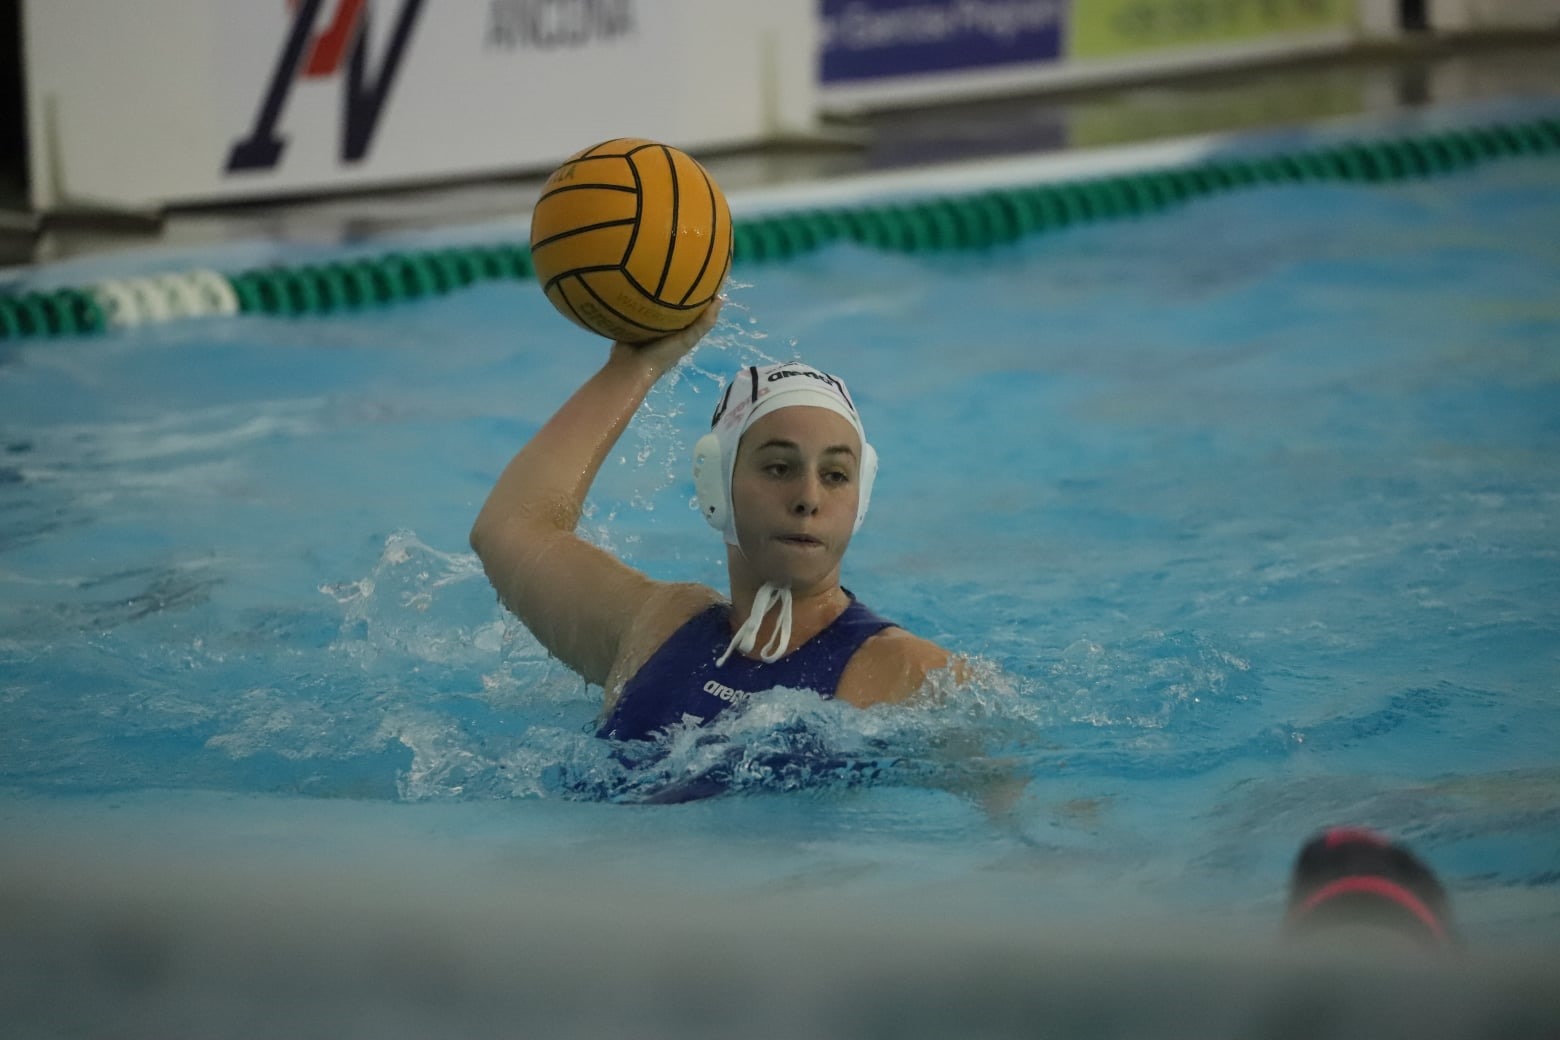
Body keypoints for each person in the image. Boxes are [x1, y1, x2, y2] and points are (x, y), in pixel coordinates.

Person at [470, 300, 957, 744]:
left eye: (835, 475)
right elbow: (509, 527)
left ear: (861, 497)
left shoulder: (913, 676)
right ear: (715, 486)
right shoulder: (656, 628)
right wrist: (633, 367)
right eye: (779, 468)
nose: (809, 498)